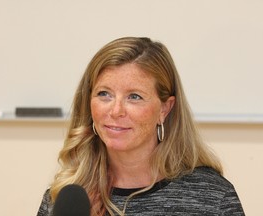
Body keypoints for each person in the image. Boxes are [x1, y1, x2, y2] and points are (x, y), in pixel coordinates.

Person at [37, 37, 245, 216]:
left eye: (134, 97)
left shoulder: (211, 197)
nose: (116, 110)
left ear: (165, 108)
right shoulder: (66, 198)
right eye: (104, 94)